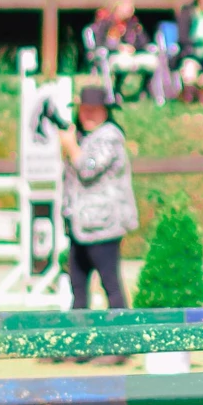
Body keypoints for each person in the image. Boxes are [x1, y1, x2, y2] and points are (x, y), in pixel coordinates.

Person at [59, 79, 137, 308]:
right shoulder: (85, 136)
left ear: (105, 112)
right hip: (80, 226)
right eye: (84, 110)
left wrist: (71, 146)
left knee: (110, 286)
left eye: (94, 110)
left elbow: (88, 168)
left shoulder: (110, 137)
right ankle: (80, 338)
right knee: (78, 287)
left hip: (104, 226)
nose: (88, 115)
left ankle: (123, 337)